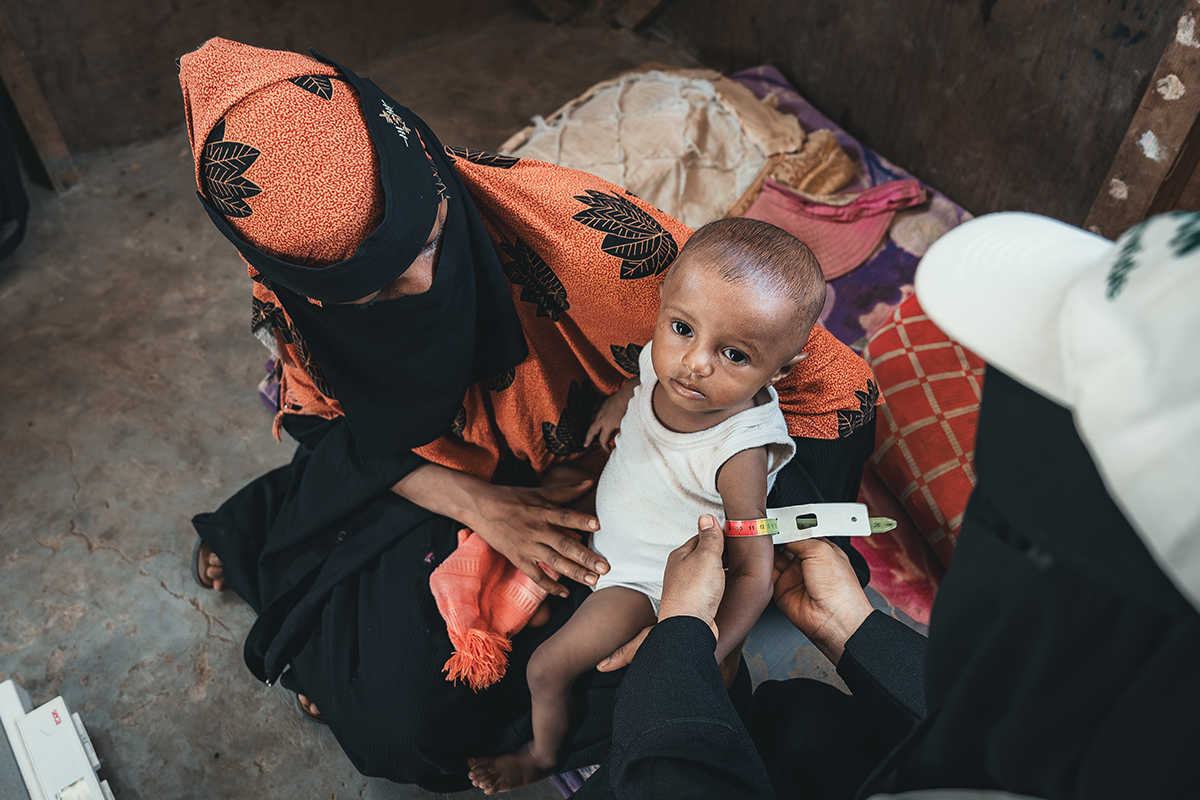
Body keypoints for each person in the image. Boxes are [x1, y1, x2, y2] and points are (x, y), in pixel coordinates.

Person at [179, 38, 881, 791]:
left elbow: (836, 393)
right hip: (439, 471)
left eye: (430, 233)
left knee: (645, 696)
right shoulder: (290, 298)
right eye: (373, 288)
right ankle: (277, 542)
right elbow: (334, 426)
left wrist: (634, 471)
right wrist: (487, 508)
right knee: (400, 715)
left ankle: (312, 601)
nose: (420, 279)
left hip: (607, 506)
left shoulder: (591, 241)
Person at [570, 211, 1200, 800]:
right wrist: (856, 630)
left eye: (1010, 532)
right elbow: (987, 731)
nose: (695, 363)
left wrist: (680, 650)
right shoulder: (1088, 727)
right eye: (681, 329)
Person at [466, 218, 825, 793]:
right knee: (540, 492)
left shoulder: (740, 450)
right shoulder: (663, 361)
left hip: (647, 583)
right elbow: (647, 374)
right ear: (663, 307)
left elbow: (754, 571)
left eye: (734, 354)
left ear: (779, 370)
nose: (696, 363)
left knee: (545, 668)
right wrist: (621, 399)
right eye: (682, 327)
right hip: (612, 530)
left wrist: (697, 647)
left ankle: (540, 755)